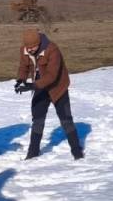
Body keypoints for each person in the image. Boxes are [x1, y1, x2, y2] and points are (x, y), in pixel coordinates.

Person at [15, 30, 82, 160]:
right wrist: (20, 80)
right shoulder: (25, 50)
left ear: (39, 43)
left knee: (66, 120)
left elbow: (52, 75)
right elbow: (23, 67)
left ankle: (77, 151)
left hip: (58, 88)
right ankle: (32, 153)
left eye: (32, 47)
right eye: (28, 48)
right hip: (40, 88)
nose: (30, 50)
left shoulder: (52, 49)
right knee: (37, 120)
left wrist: (32, 85)